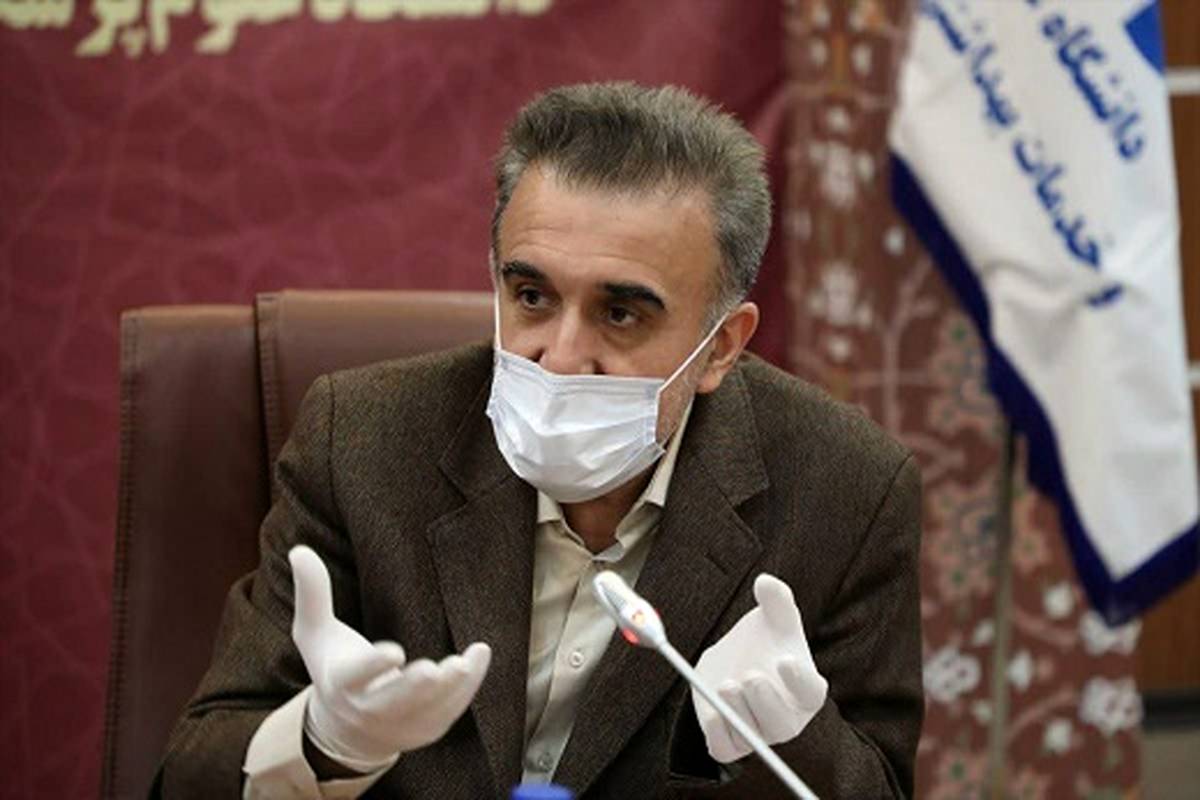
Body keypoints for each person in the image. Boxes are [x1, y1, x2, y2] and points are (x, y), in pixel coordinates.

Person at [157, 82, 923, 799]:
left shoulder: (847, 488)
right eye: (531, 296)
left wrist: (794, 741)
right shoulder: (362, 441)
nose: (559, 356)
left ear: (722, 345)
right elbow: (188, 773)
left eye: (620, 314)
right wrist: (325, 741)